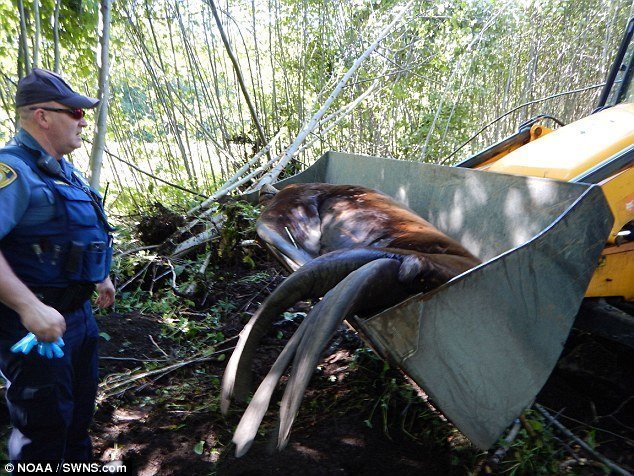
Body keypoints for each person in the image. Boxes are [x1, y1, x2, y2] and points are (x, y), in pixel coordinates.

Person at [0, 68, 115, 463]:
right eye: (75, 112)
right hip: (34, 327)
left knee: (78, 420)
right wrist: (28, 307)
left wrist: (99, 274)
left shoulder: (65, 173)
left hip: (76, 317)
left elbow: (68, 231)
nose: (84, 120)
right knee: (44, 433)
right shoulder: (12, 170)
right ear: (42, 116)